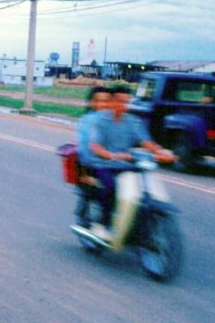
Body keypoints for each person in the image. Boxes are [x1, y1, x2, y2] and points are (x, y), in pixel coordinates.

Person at [87, 86, 174, 241]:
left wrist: (160, 152)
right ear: (112, 101)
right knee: (111, 187)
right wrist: (112, 155)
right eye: (120, 101)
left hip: (126, 164)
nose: (123, 105)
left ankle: (133, 224)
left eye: (126, 101)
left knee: (142, 189)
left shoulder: (133, 121)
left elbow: (146, 142)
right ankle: (103, 225)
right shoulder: (100, 120)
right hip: (104, 164)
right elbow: (95, 147)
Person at [74, 86, 112, 226]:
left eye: (106, 101)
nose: (101, 105)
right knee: (111, 188)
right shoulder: (87, 122)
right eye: (97, 101)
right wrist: (84, 173)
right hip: (92, 167)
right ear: (90, 102)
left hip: (113, 164)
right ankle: (103, 224)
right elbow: (83, 150)